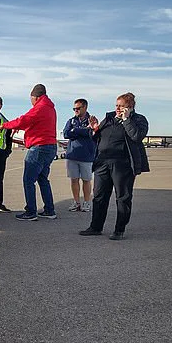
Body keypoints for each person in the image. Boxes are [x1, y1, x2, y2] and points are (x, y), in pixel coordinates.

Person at [79, 92, 149, 240]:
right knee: (99, 196)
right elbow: (98, 138)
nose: (117, 108)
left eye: (121, 106)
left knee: (123, 197)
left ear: (129, 107)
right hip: (103, 162)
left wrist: (126, 119)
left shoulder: (139, 120)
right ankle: (96, 227)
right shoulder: (109, 117)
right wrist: (94, 129)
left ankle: (119, 229)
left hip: (123, 164)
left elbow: (136, 136)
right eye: (116, 105)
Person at [0, 84, 57, 221]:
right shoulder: (50, 108)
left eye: (31, 98)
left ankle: (30, 211)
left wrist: (4, 125)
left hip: (39, 147)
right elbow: (35, 123)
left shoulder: (39, 108)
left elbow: (23, 120)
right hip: (50, 147)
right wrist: (23, 127)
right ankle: (49, 210)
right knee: (42, 179)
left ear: (35, 97)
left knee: (28, 180)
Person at [63, 98, 96, 212]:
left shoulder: (92, 120)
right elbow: (66, 134)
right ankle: (76, 202)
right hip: (72, 156)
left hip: (86, 156)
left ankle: (86, 202)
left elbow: (93, 133)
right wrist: (83, 131)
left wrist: (75, 131)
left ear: (85, 107)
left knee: (86, 180)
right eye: (74, 108)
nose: (75, 110)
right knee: (74, 180)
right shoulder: (71, 121)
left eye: (78, 108)